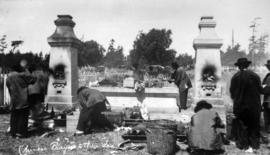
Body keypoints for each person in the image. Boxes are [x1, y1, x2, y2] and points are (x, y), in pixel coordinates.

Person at [230, 58, 262, 152]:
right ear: (247, 65)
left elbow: (232, 92)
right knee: (254, 125)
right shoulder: (255, 75)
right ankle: (254, 145)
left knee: (243, 125)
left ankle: (244, 145)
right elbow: (260, 90)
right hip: (254, 105)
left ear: (239, 66)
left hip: (241, 106)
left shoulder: (235, 77)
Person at [6, 65, 36, 138]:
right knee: (23, 116)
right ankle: (20, 133)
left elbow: (8, 86)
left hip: (14, 98)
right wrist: (26, 69)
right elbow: (33, 79)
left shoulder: (9, 76)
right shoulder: (22, 75)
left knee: (14, 116)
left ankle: (13, 133)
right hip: (23, 98)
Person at [262, 60, 270, 133]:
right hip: (266, 100)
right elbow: (263, 86)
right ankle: (267, 129)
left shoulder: (268, 76)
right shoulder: (267, 75)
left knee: (267, 115)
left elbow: (264, 87)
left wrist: (265, 87)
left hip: (268, 99)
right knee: (266, 116)